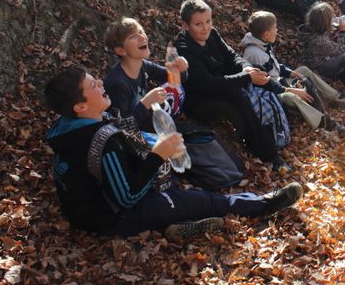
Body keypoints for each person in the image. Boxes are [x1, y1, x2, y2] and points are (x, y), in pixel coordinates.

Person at [44, 66, 303, 241]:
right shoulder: (102, 142)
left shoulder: (67, 126)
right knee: (201, 200)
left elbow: (117, 127)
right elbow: (126, 197)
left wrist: (145, 111)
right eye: (93, 85)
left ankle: (173, 222)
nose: (100, 83)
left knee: (180, 178)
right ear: (80, 105)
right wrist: (157, 156)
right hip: (110, 218)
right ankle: (263, 203)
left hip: (88, 204)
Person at [173, 0, 290, 173]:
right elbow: (207, 84)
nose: (205, 27)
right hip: (200, 100)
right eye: (198, 24)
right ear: (185, 25)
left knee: (258, 72)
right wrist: (245, 78)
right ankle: (270, 155)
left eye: (208, 21)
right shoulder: (183, 48)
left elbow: (232, 56)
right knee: (237, 96)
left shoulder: (212, 34)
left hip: (223, 84)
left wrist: (247, 68)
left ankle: (283, 118)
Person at [240, 11, 345, 133]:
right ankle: (323, 121)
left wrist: (291, 73)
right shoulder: (254, 54)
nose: (277, 31)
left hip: (278, 82)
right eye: (275, 28)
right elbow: (266, 84)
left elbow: (273, 66)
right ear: (266, 34)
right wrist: (290, 90)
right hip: (271, 93)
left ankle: (336, 98)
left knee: (303, 70)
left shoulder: (261, 43)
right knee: (291, 97)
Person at [103, 17, 188, 132]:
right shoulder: (117, 84)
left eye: (141, 32)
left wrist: (181, 68)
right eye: (133, 36)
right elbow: (120, 128)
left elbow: (177, 79)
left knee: (176, 89)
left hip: (146, 122)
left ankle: (167, 128)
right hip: (134, 137)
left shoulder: (144, 65)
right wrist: (146, 103)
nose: (142, 37)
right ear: (121, 51)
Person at [299, 2, 345, 89]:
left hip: (320, 56)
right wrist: (343, 31)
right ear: (325, 22)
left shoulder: (314, 27)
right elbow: (342, 49)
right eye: (331, 18)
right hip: (318, 67)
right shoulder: (318, 41)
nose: (334, 18)